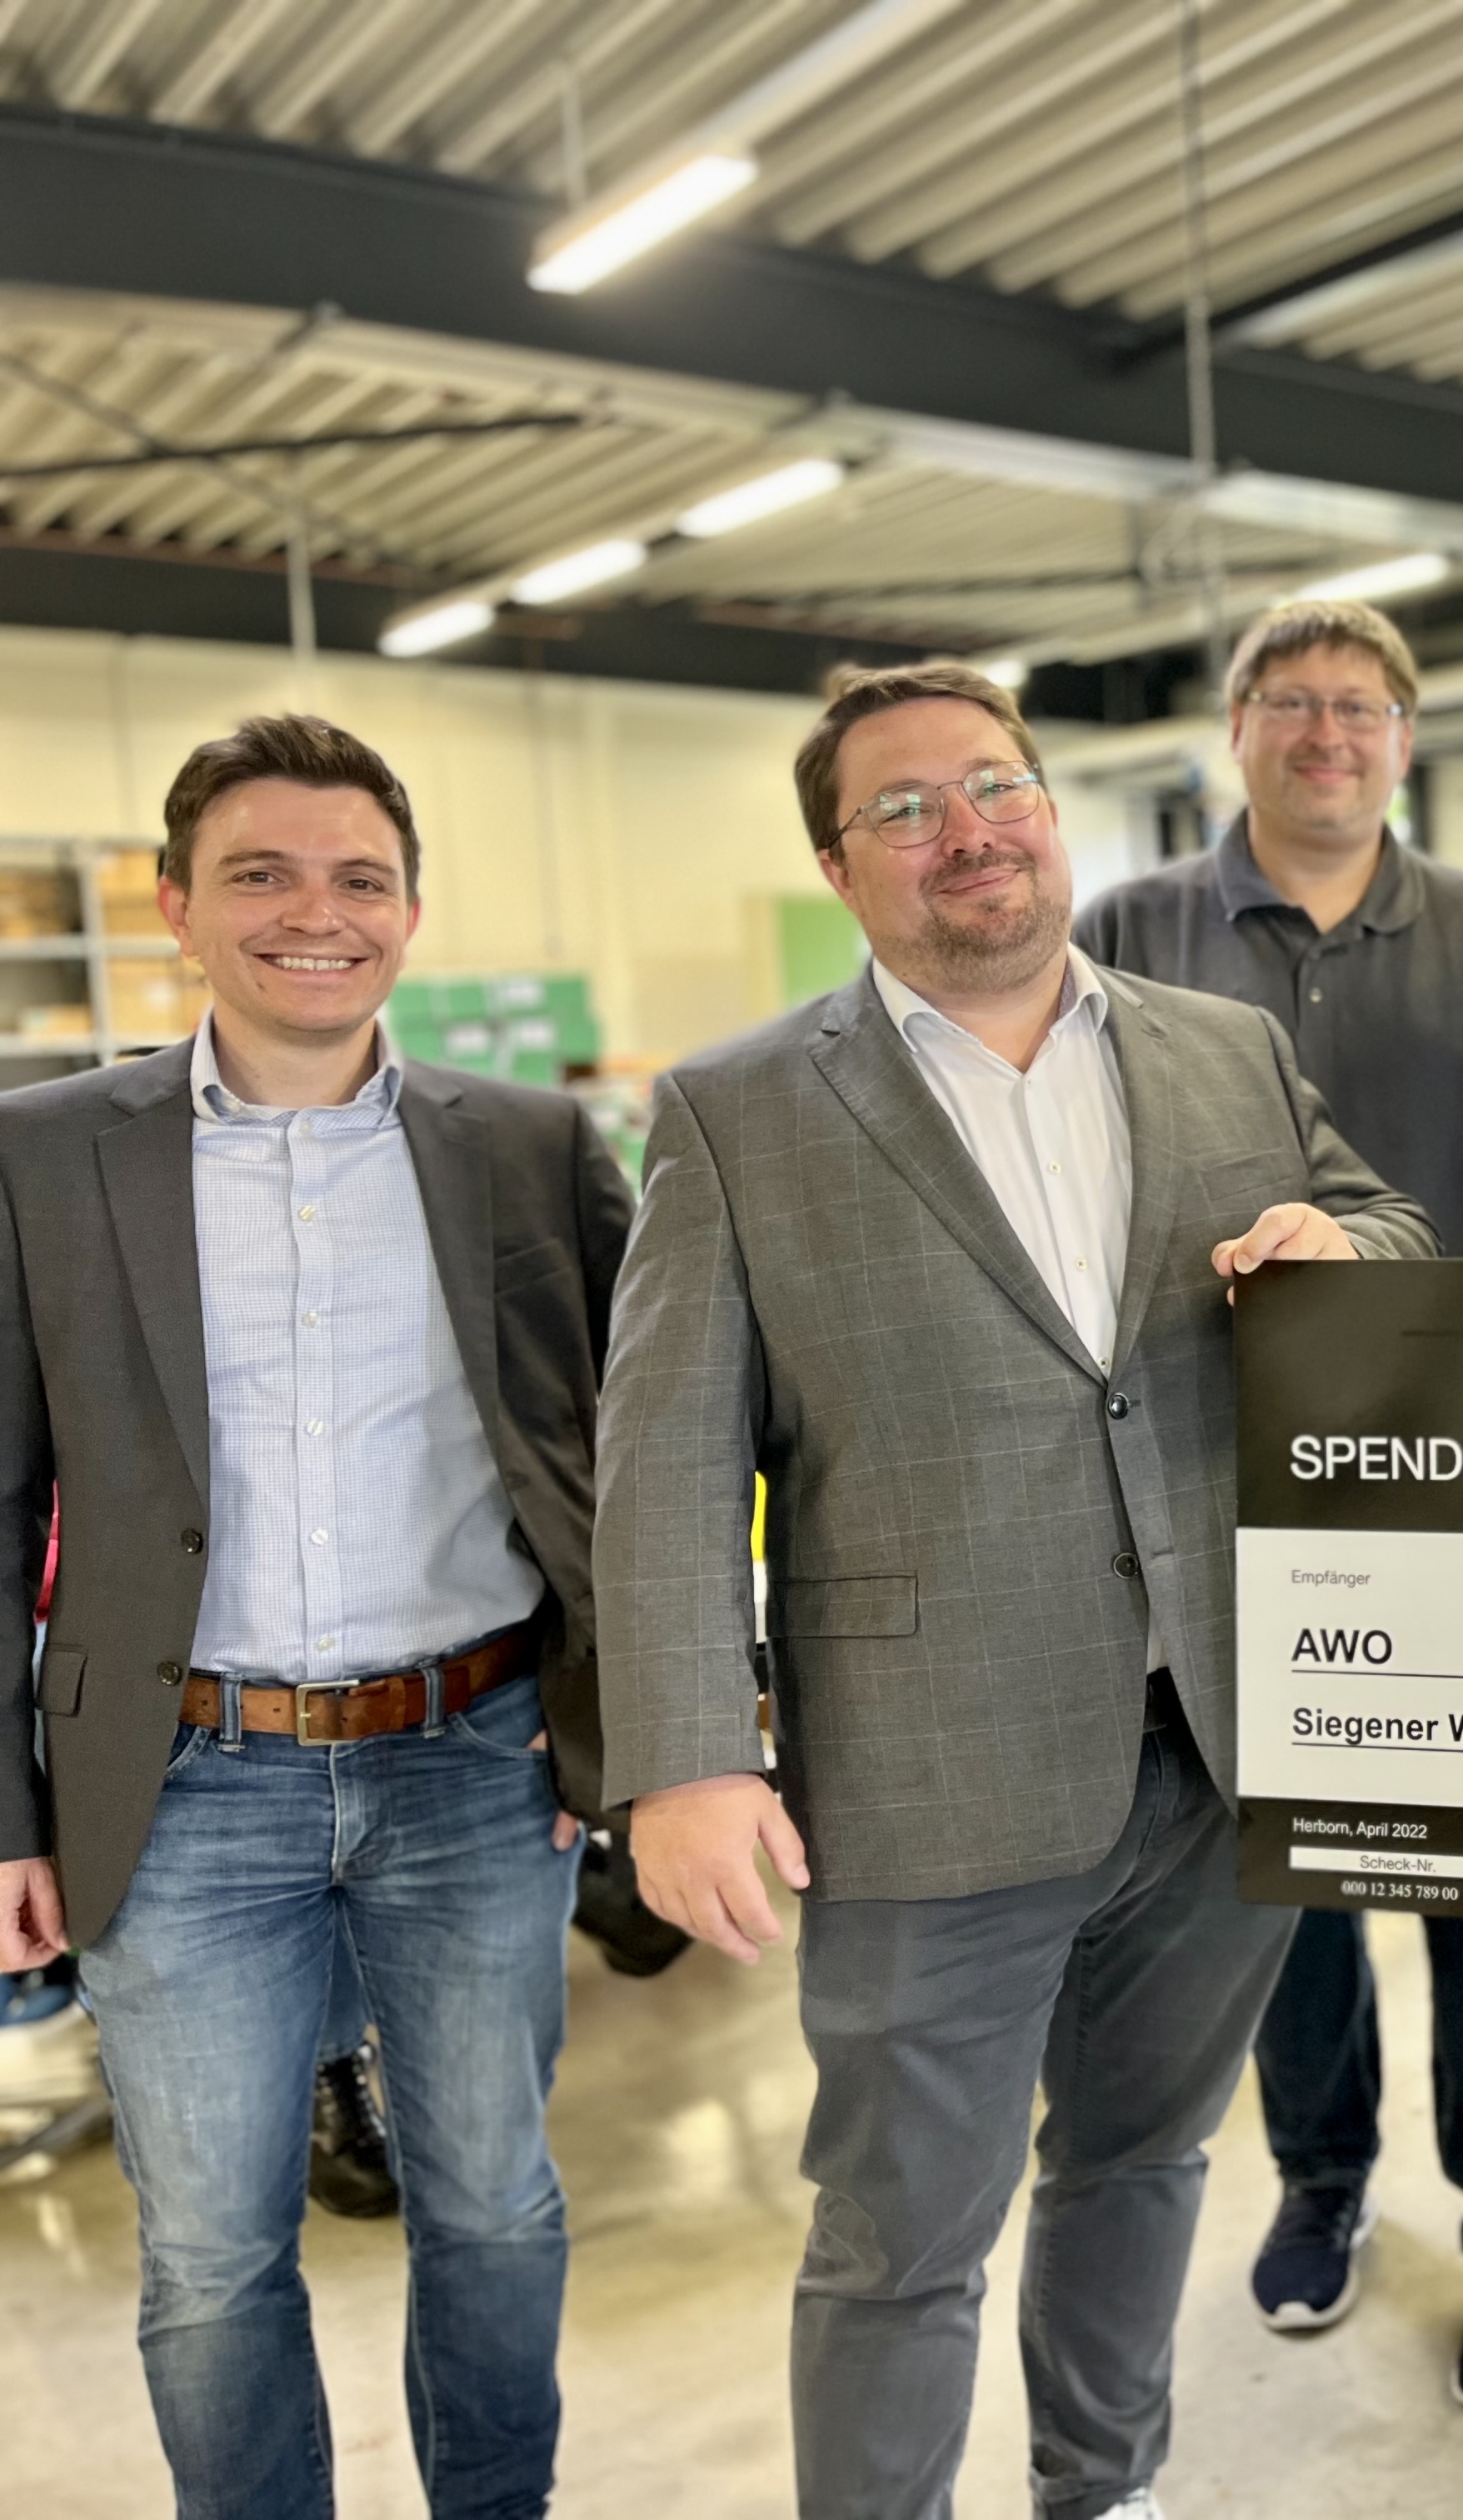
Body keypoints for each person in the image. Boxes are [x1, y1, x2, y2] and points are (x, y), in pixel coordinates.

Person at [598, 662, 1436, 2520]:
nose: (966, 831)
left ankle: (1104, 2489)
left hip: (1217, 1741)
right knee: (900, 2236)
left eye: (997, 786)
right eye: (904, 807)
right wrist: (686, 1756)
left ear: (1051, 813)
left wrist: (1343, 1249)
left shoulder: (1221, 1049)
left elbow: (1392, 1226)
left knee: (1143, 2164)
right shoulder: (738, 1111)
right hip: (927, 1774)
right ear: (841, 866)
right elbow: (664, 1459)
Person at [0, 714, 629, 2520]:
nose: (315, 914)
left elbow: (634, 1454)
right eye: (260, 874)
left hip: (475, 1763)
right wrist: (6, 1817)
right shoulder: (45, 1154)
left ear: (411, 911)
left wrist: (626, 1736)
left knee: (493, 2207)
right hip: (180, 1781)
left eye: (361, 878)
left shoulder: (532, 1147)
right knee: (212, 2254)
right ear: (178, 905)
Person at [1076, 598, 1463, 2408]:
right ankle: (1319, 2178)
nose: (1326, 733)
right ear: (1233, 730)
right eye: (1290, 701)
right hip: (1221, 1495)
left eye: (1361, 705)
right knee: (1284, 1880)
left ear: (1404, 735)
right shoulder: (1124, 935)